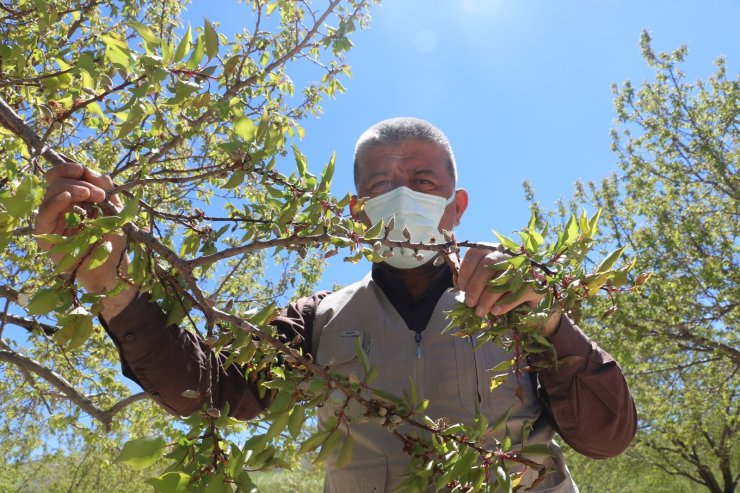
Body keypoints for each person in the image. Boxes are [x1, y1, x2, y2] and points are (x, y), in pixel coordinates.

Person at [35, 117, 636, 492]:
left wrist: (552, 322)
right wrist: (113, 285)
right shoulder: (314, 319)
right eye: (380, 186)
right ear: (355, 215)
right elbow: (212, 391)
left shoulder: (519, 298)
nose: (403, 197)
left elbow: (607, 439)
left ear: (457, 206)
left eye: (424, 183)